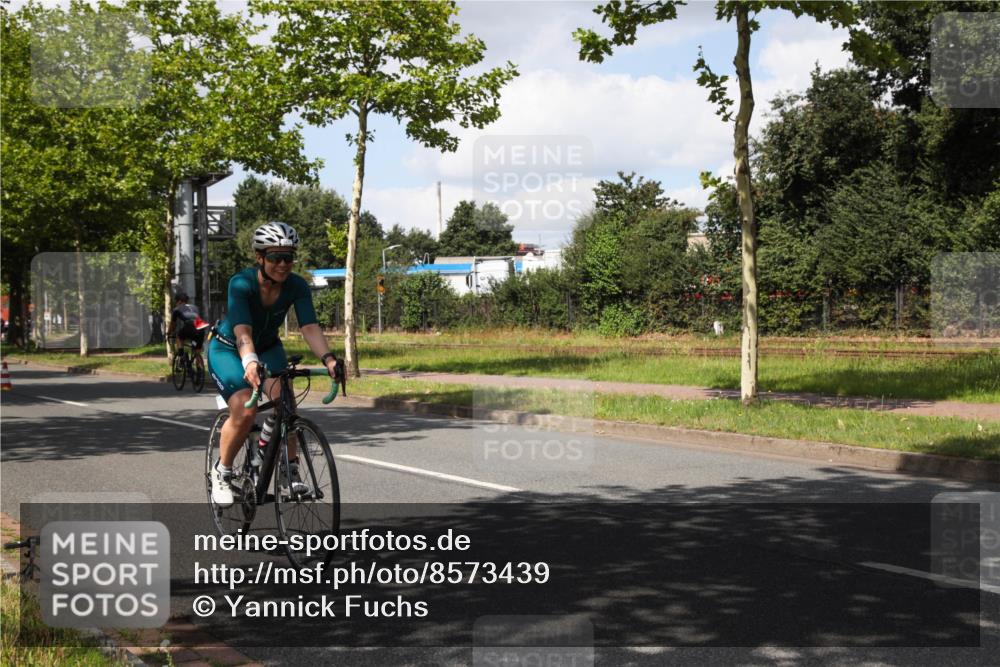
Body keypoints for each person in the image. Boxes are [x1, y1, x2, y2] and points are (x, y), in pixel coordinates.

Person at [207, 221, 344, 507]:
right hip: (230, 349)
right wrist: (250, 361)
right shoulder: (241, 283)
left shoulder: (296, 286)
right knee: (246, 408)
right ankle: (222, 472)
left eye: (288, 257)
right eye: (274, 257)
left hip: (268, 348)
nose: (283, 264)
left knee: (286, 405)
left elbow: (309, 327)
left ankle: (288, 471)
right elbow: (242, 331)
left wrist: (329, 359)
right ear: (260, 258)